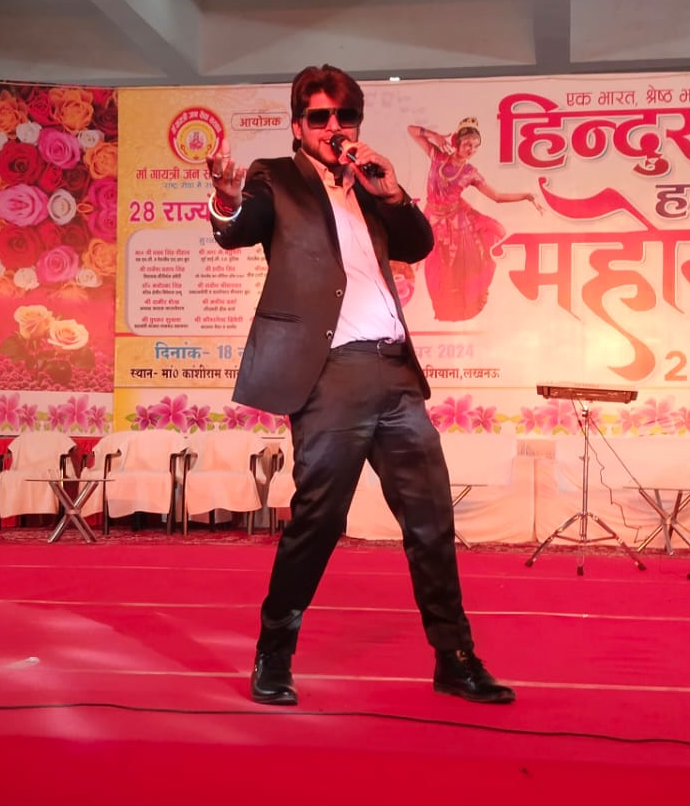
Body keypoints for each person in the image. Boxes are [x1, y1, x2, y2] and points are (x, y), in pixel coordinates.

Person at [206, 64, 514, 706]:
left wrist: (392, 192)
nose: (334, 127)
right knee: (320, 519)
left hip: (395, 372)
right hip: (331, 375)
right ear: (298, 126)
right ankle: (274, 654)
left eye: (344, 116)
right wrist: (226, 200)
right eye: (319, 117)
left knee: (430, 519)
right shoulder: (275, 177)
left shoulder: (370, 183)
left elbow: (419, 245)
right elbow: (239, 227)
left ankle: (455, 659)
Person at [407, 117, 543, 321]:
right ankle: (443, 307)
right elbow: (411, 130)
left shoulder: (470, 173)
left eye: (476, 146)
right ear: (457, 142)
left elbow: (497, 197)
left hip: (455, 220)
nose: (471, 149)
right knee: (433, 266)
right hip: (432, 218)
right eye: (468, 144)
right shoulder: (438, 157)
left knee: (457, 265)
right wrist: (434, 135)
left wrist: (526, 196)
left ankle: (460, 307)